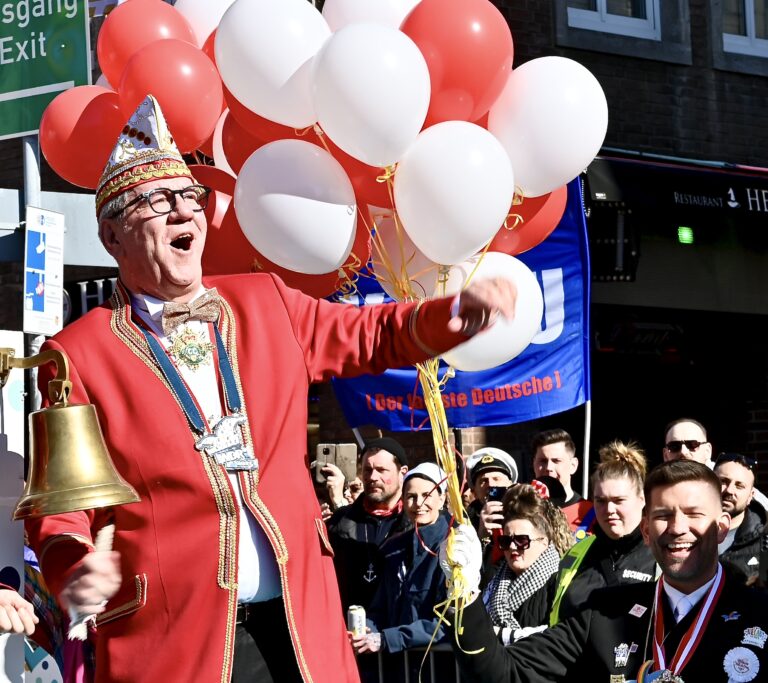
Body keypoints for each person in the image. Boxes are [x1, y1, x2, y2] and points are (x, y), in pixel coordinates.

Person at [24, 96, 517, 683]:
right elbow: (59, 509)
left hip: (297, 621)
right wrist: (73, 567)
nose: (184, 214)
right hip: (175, 639)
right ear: (113, 236)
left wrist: (451, 315)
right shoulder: (77, 353)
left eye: (190, 199)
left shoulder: (266, 302)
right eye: (158, 203)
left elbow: (368, 334)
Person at [440, 459, 768, 682]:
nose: (678, 528)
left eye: (693, 514)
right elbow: (501, 673)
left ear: (720, 527)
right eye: (664, 516)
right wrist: (465, 592)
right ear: (647, 531)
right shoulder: (603, 616)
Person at [548, 441, 655, 624]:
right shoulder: (575, 554)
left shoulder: (660, 553)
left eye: (618, 500)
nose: (609, 509)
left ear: (642, 499)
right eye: (601, 501)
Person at [355, 463, 452, 658]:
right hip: (397, 667)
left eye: (427, 495)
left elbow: (447, 622)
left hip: (438, 666)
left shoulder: (454, 548)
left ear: (441, 499)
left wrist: (389, 639)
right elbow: (380, 607)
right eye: (411, 496)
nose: (418, 504)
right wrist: (367, 630)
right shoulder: (394, 549)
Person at [328, 438, 411, 615]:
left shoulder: (417, 522)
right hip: (350, 626)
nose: (373, 477)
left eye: (381, 470)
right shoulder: (340, 521)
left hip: (398, 630)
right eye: (367, 470)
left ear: (402, 472)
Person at [482, 484, 570, 644]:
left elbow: (559, 636)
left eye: (521, 540)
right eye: (506, 541)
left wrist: (498, 635)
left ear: (544, 542)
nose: (513, 547)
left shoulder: (559, 583)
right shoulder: (493, 581)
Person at [714, 453, 765, 583]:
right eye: (723, 481)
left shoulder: (765, 541)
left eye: (739, 486)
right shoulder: (688, 532)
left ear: (750, 496)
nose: (730, 490)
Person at [531, 429, 593, 534]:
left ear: (573, 465)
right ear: (534, 464)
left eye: (556, 461)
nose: (549, 467)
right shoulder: (522, 510)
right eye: (543, 461)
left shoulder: (592, 513)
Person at [465, 447, 519, 550]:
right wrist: (481, 536)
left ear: (510, 485)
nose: (490, 484)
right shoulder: (465, 523)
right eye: (483, 481)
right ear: (475, 491)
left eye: (496, 479)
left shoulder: (524, 511)